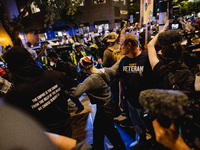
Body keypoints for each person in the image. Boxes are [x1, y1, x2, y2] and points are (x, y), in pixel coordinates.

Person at [3, 46, 79, 137]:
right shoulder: (53, 75)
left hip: (45, 139)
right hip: (66, 129)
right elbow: (75, 86)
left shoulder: (13, 96)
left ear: (12, 67)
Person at [69, 56, 126, 150]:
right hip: (107, 105)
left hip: (104, 108)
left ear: (83, 69)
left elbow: (75, 93)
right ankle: (97, 146)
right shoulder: (105, 71)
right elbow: (116, 67)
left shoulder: (91, 80)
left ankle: (121, 148)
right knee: (98, 129)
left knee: (110, 130)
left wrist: (68, 83)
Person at [114, 31, 156, 149]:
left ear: (129, 45)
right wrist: (121, 98)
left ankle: (157, 144)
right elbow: (122, 80)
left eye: (122, 44)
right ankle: (141, 141)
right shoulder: (123, 61)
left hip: (146, 101)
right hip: (131, 100)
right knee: (136, 124)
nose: (120, 47)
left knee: (151, 125)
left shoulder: (147, 57)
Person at [147, 20, 195, 91]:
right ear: (181, 52)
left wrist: (163, 30)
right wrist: (186, 30)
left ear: (163, 55)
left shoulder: (160, 70)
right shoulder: (190, 66)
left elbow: (150, 45)